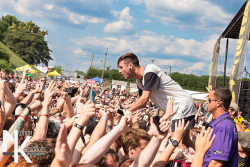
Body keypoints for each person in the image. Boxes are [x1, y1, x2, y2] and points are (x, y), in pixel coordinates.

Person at [117, 53, 195, 148]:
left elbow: (144, 98)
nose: (119, 71)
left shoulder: (150, 71)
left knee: (177, 142)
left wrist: (128, 111)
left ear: (130, 66)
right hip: (178, 106)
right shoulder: (139, 82)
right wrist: (123, 108)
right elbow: (142, 103)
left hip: (181, 105)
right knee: (186, 141)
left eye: (121, 67)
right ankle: (201, 159)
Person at [203, 87, 238, 167]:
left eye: (209, 100)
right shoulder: (222, 122)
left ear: (218, 103)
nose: (207, 102)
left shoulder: (223, 126)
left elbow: (216, 163)